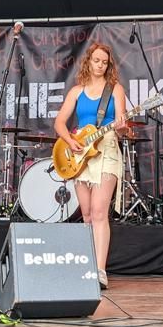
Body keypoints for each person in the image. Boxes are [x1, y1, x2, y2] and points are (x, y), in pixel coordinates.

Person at [53, 42, 127, 289]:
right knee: (85, 214)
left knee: (98, 212)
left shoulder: (115, 90)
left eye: (104, 62)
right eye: (96, 60)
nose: (100, 65)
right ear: (88, 61)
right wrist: (69, 141)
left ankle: (100, 271)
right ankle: (88, 267)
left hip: (106, 150)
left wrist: (122, 127)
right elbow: (59, 122)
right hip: (81, 153)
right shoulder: (77, 91)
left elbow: (122, 128)